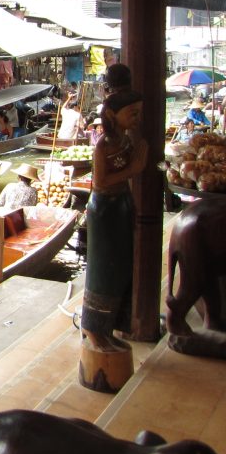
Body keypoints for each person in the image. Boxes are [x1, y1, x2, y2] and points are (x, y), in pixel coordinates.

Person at [81, 89, 148, 352]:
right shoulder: (104, 145)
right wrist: (135, 168)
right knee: (102, 271)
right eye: (132, 113)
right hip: (104, 211)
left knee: (120, 268)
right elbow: (100, 182)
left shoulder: (125, 139)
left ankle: (109, 327)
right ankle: (95, 329)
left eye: (137, 114)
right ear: (111, 114)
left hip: (121, 204)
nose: (136, 119)